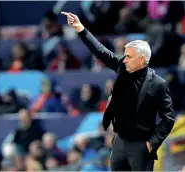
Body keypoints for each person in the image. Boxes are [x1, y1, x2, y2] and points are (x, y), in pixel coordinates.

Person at [61, 11, 175, 171]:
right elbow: (101, 51)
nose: (125, 59)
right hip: (119, 142)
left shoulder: (158, 84)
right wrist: (80, 28)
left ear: (142, 59)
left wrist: (152, 143)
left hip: (141, 144)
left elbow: (168, 119)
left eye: (129, 57)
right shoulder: (123, 68)